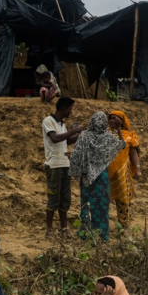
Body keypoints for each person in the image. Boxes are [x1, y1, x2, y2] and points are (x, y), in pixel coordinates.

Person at [70, 112, 125, 241]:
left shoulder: (84, 136)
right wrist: (118, 129)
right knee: (102, 205)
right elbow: (122, 145)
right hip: (102, 177)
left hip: (87, 177)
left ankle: (85, 234)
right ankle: (102, 235)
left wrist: (78, 172)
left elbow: (75, 156)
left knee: (87, 204)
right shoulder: (108, 137)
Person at [43, 97, 86, 237]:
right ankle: (49, 229)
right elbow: (55, 139)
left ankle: (64, 229)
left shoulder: (62, 124)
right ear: (62, 108)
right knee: (53, 197)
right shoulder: (48, 121)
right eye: (69, 108)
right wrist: (74, 131)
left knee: (65, 198)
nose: (70, 111)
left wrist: (79, 136)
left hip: (65, 163)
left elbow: (66, 140)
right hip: (54, 164)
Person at [107, 110, 141, 228]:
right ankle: (102, 226)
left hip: (122, 172)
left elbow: (133, 154)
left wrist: (138, 169)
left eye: (115, 118)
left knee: (122, 200)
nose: (112, 120)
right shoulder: (105, 134)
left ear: (122, 120)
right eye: (110, 118)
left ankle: (123, 225)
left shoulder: (129, 136)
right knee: (104, 199)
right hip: (107, 172)